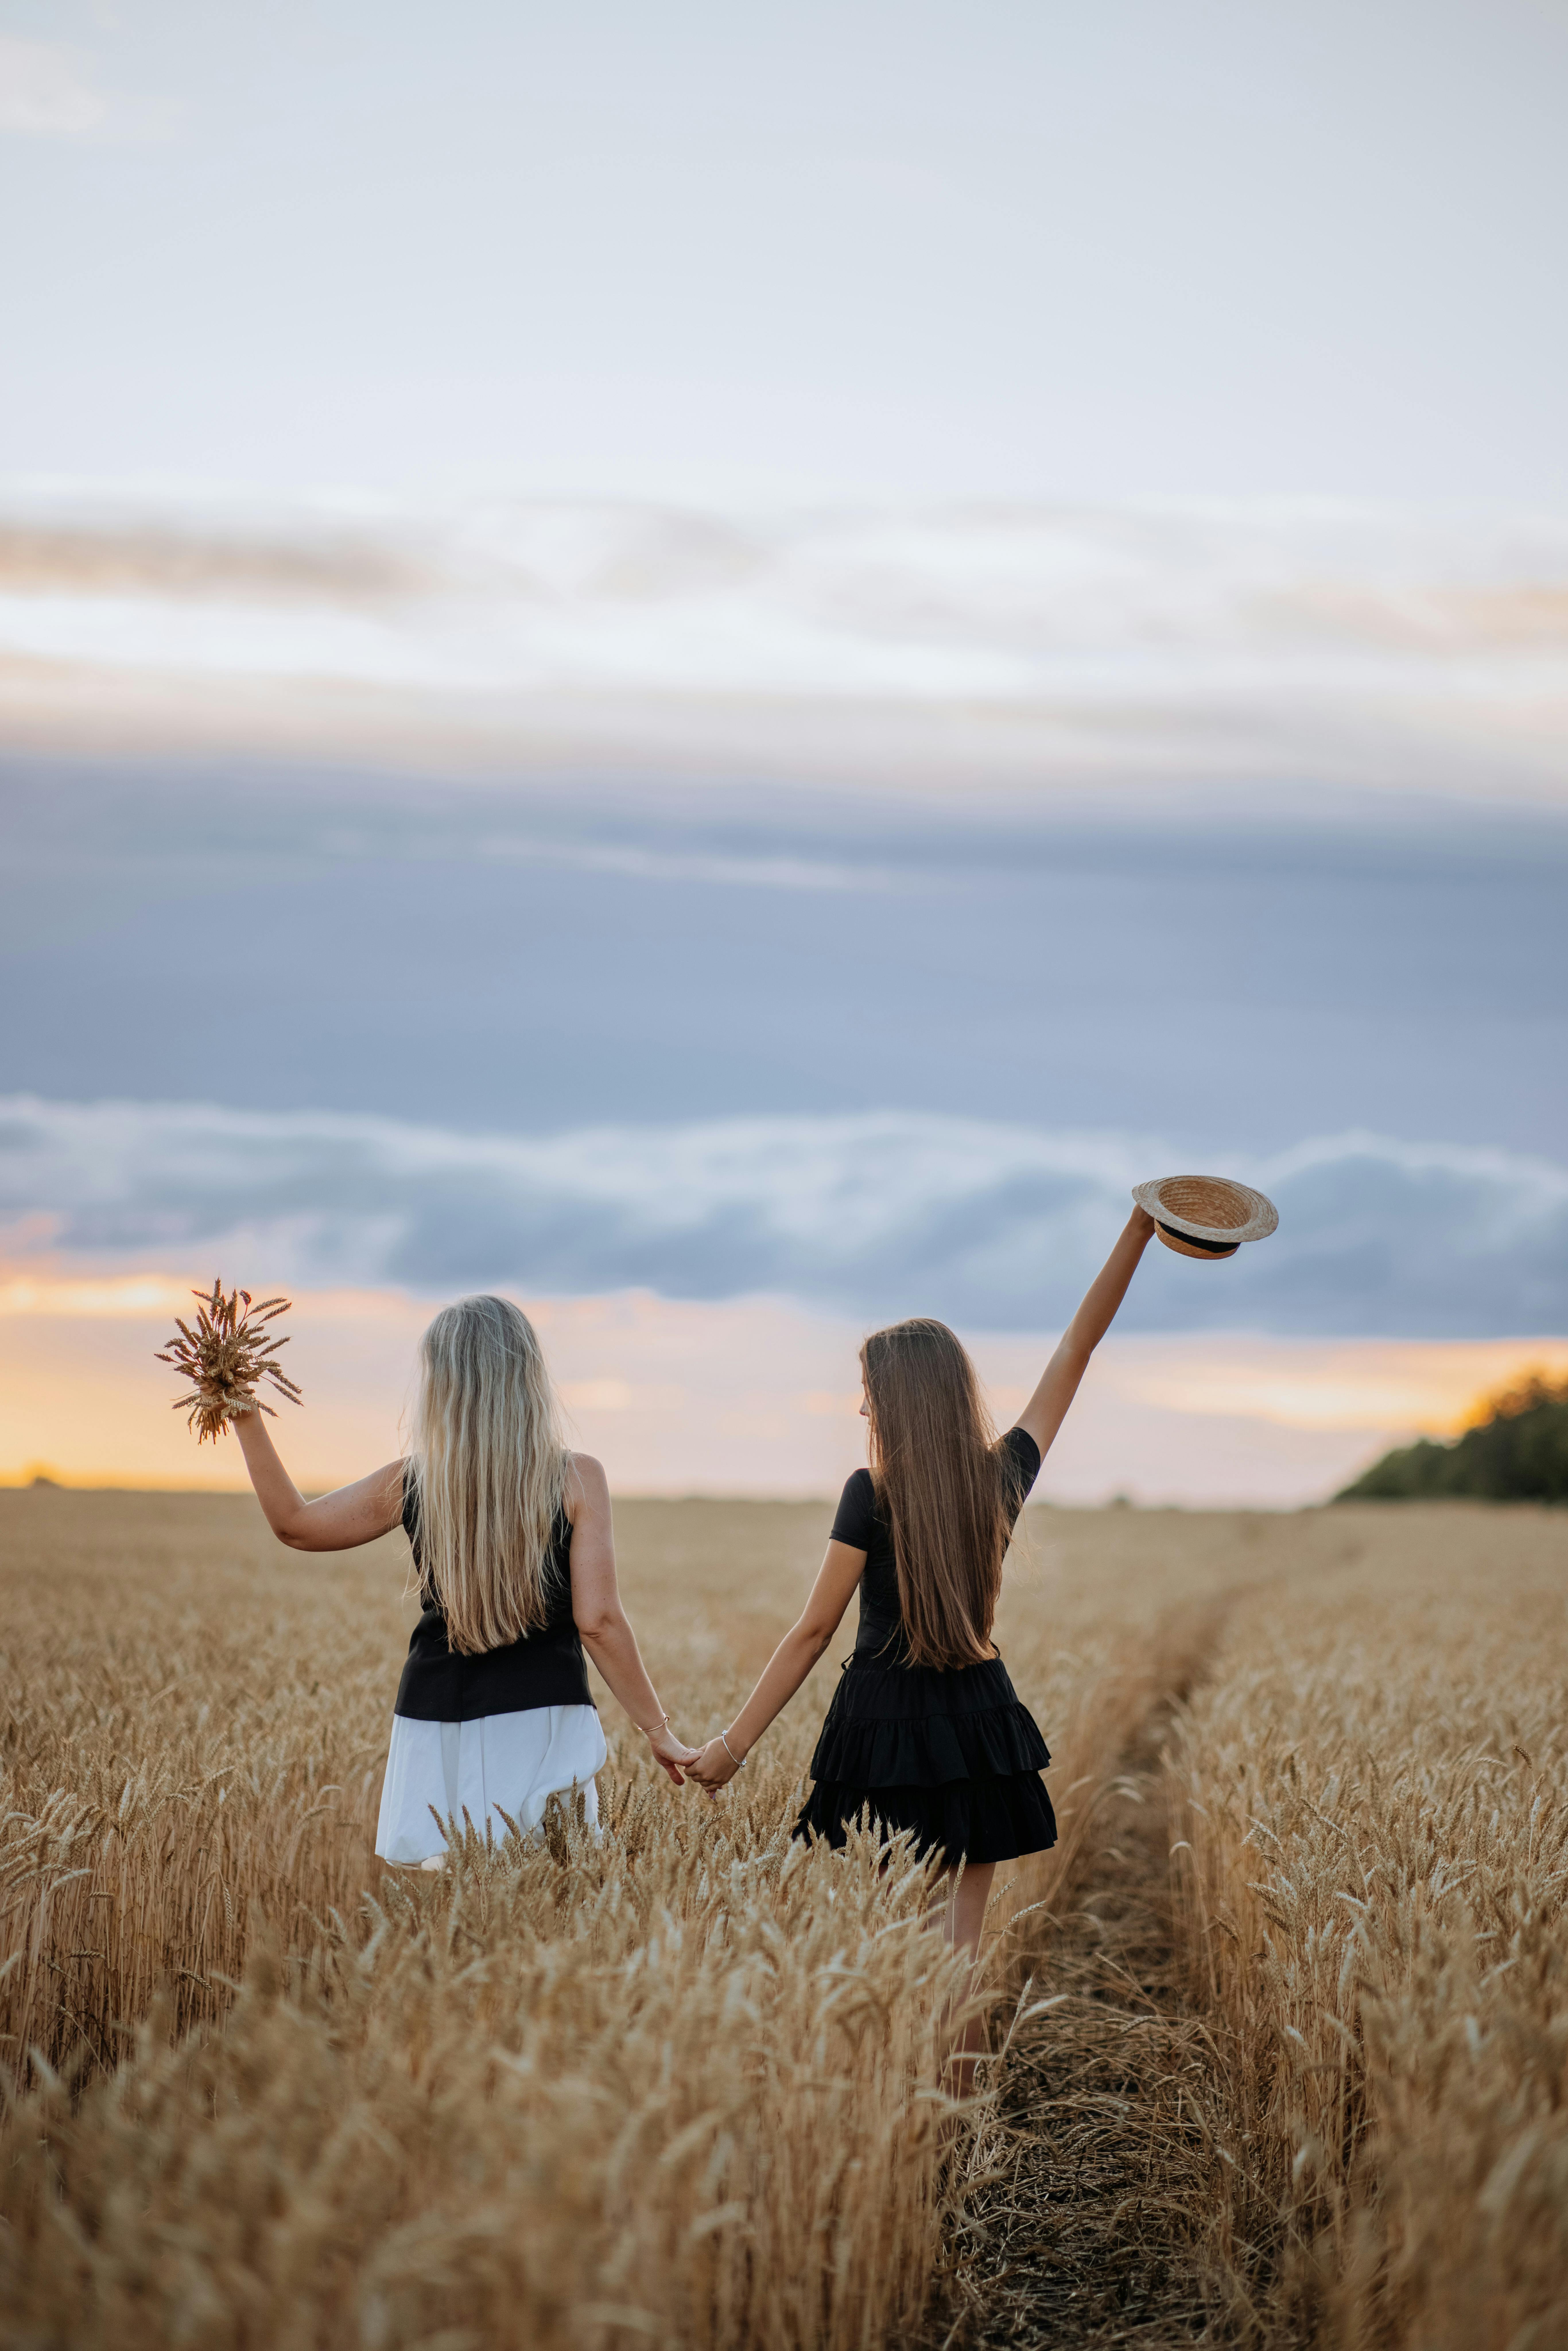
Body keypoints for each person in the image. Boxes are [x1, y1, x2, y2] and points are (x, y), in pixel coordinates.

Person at [686, 1206, 1158, 1969]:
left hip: (884, 1729)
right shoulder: (1001, 1476)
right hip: (979, 1719)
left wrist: (733, 1748)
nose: (863, 1406)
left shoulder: (869, 1493)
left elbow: (813, 1632)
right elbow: (1079, 1346)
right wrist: (1137, 1232)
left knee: (901, 1951)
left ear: (900, 1400)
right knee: (960, 1956)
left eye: (869, 1390)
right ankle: (962, 2092)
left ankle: (909, 2085)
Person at [228, 1292, 700, 1865]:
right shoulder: (577, 1477)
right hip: (542, 1713)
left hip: (436, 1717)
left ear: (441, 1386)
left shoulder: (413, 1482)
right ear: (526, 1376)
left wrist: (243, 1412)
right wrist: (656, 1729)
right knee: (552, 1901)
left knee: (461, 1908)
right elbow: (598, 1622)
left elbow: (296, 1525)